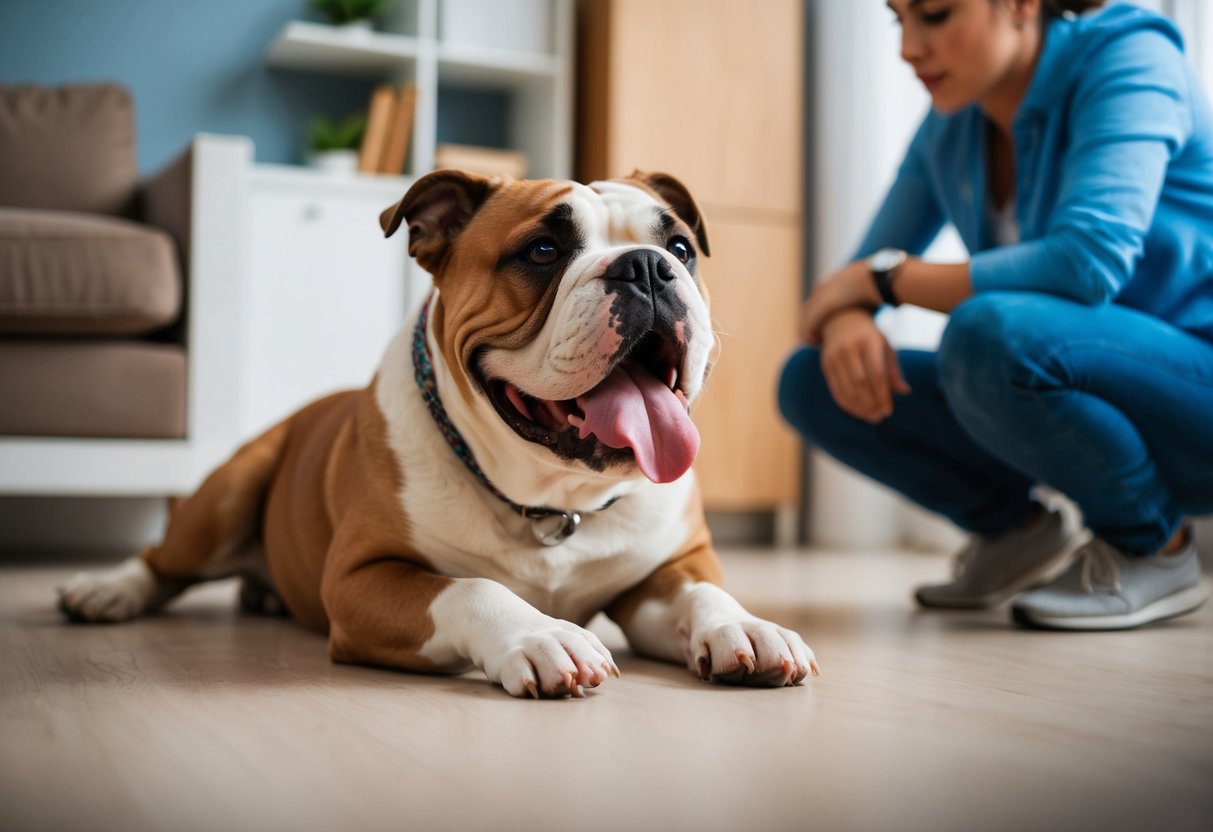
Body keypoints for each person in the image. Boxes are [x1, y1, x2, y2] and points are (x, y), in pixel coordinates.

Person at [778, 0, 1213, 630]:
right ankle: (1018, 532)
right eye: (898, 21)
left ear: (1019, 4)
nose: (908, 48)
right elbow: (844, 284)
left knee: (987, 332)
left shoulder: (1131, 57)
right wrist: (851, 314)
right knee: (813, 379)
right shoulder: (951, 125)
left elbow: (1087, 262)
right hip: (1085, 388)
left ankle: (1153, 545)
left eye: (934, 14)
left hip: (1194, 395)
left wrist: (880, 283)